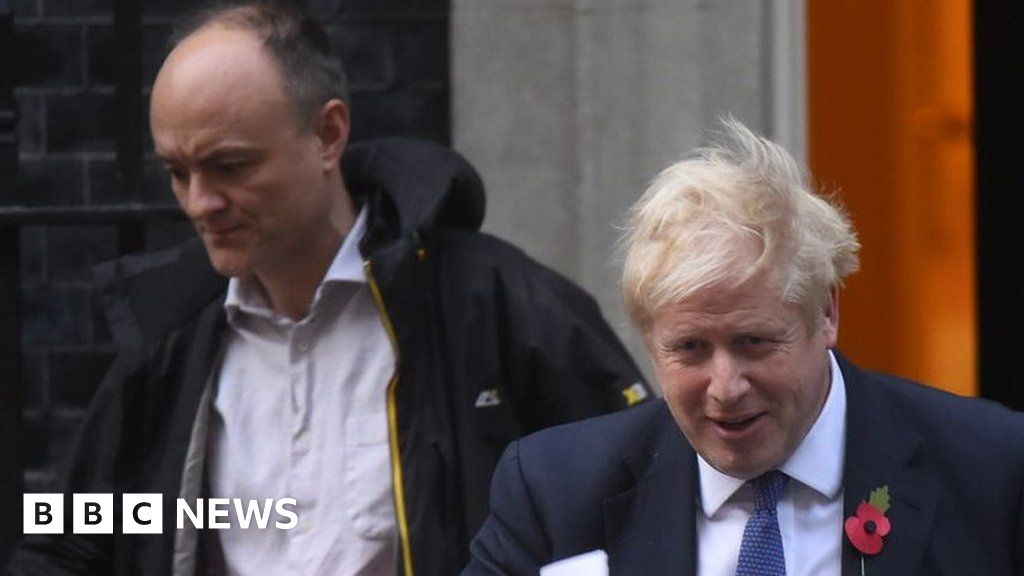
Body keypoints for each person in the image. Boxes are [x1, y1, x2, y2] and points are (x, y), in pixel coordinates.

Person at [5, 2, 649, 575]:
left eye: (229, 166)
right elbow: (72, 539)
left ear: (327, 134)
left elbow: (647, 505)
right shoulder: (167, 341)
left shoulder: (501, 307)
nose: (199, 202)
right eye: (177, 172)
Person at [463, 119, 1024, 575]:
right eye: (689, 348)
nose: (725, 387)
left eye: (754, 343)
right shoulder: (554, 491)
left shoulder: (992, 469)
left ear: (826, 312)